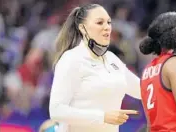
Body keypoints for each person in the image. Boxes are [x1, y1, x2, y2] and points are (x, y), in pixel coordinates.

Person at [49, 4, 141, 132]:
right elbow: (56, 110)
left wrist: (163, 70)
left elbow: (143, 90)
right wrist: (102, 116)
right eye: (100, 22)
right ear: (82, 28)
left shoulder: (112, 59)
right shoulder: (71, 59)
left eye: (109, 22)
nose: (107, 27)